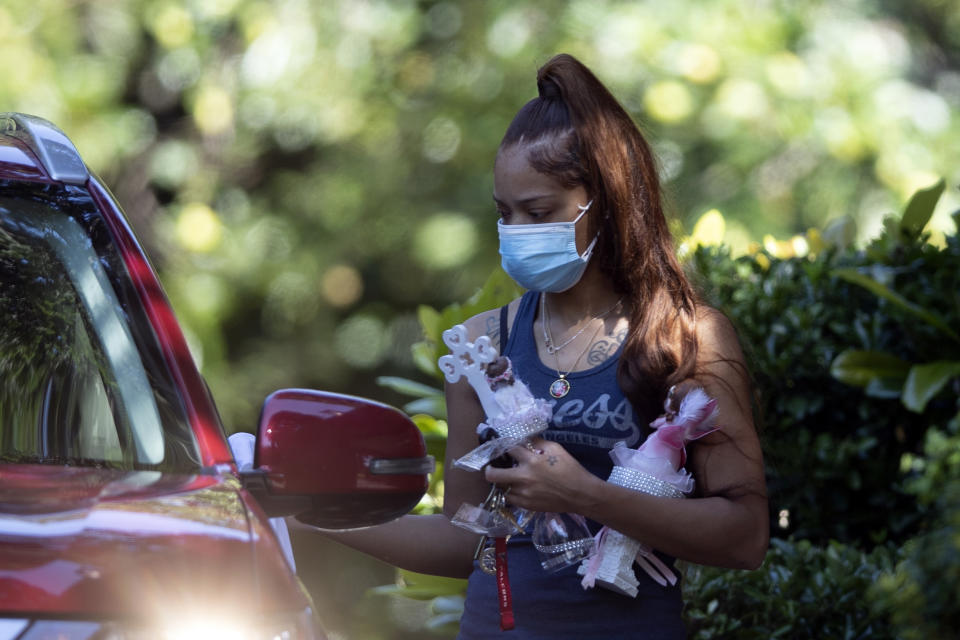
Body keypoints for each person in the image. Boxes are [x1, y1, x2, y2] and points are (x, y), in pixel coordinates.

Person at [293, 53, 768, 638]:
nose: (517, 232)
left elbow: (745, 537)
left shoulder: (683, 337)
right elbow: (462, 540)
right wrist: (307, 514)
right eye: (504, 213)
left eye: (538, 212)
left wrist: (586, 494)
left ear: (604, 203)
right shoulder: (480, 344)